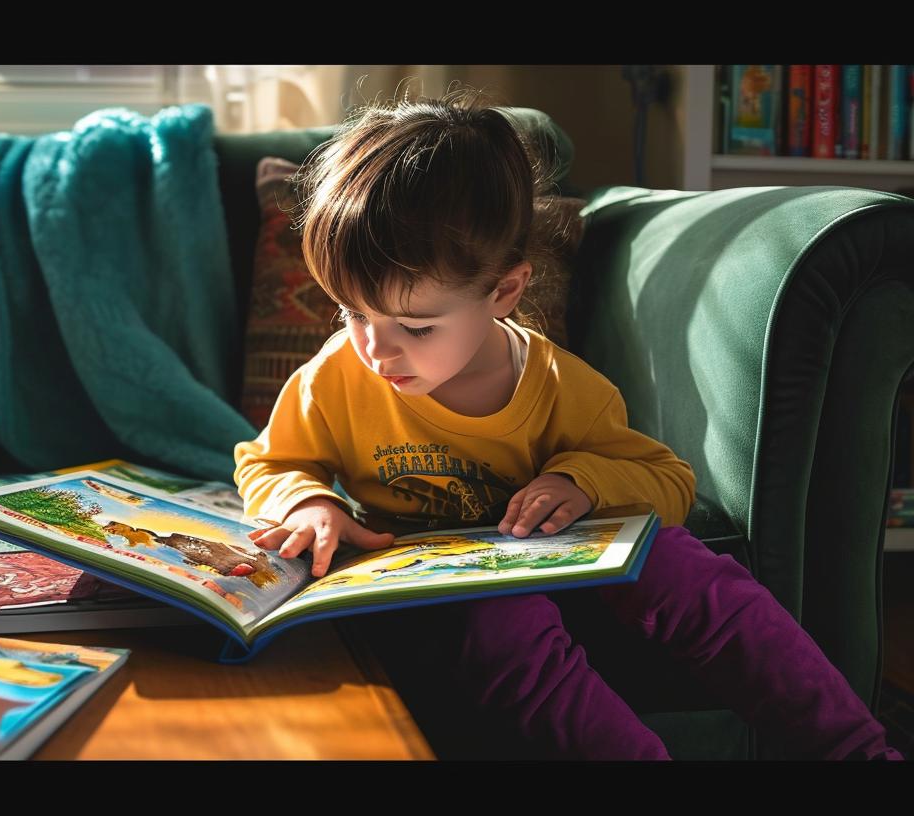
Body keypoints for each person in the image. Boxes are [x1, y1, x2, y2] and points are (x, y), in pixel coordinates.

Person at [232, 87, 903, 761]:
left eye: (415, 326)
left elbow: (666, 480)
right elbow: (267, 461)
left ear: (504, 292)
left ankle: (853, 751)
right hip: (442, 591)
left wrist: (579, 481)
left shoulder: (558, 386)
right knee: (502, 625)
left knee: (689, 569)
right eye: (351, 312)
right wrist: (310, 501)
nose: (376, 350)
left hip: (567, 565)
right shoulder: (337, 374)